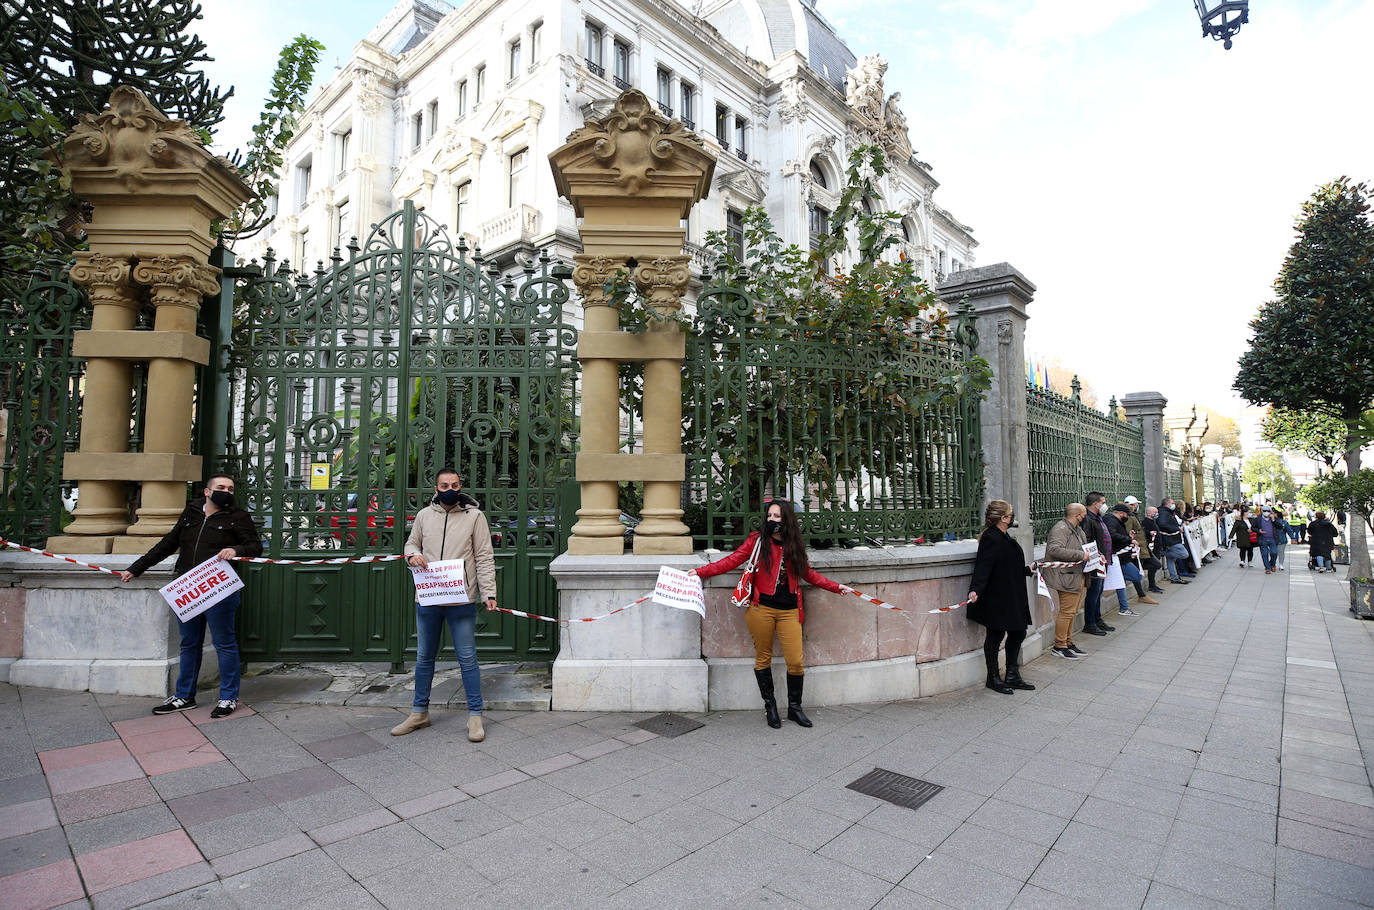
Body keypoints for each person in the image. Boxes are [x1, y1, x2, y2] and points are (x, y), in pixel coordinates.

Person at [693, 499, 852, 728]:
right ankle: (771, 707)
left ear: (786, 519)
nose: (772, 520)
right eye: (769, 516)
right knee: (763, 658)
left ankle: (795, 709)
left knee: (796, 662)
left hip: (789, 611)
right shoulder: (757, 541)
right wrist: (699, 572)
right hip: (761, 609)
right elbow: (731, 561)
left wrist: (836, 587)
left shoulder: (794, 544)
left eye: (777, 517)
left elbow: (808, 574)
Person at [119, 473, 262, 718]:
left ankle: (228, 698)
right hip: (187, 589)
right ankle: (184, 696)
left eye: (229, 488)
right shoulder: (191, 512)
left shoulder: (238, 517)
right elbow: (169, 543)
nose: (226, 491)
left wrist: (235, 549)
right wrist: (137, 567)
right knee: (189, 644)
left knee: (224, 643)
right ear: (207, 491)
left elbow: (255, 546)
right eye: (220, 487)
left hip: (219, 590)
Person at [393, 467, 498, 741]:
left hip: (460, 598)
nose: (449, 489)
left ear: (460, 486)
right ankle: (419, 712)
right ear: (436, 488)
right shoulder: (424, 516)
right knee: (424, 656)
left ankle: (475, 716)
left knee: (467, 657)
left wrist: (489, 593)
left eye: (454, 484)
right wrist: (412, 556)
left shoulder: (474, 516)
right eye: (444, 485)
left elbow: (484, 557)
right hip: (428, 597)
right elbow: (410, 544)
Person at [966, 500, 1035, 693]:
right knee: (996, 635)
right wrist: (976, 589)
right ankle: (993, 678)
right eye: (1011, 514)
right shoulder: (991, 537)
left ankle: (1012, 675)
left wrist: (1026, 570)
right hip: (997, 596)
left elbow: (1006, 565)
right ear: (1003, 518)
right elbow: (983, 566)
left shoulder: (1004, 536)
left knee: (1018, 631)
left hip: (1012, 593)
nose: (1013, 517)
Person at [1042, 503, 1089, 660]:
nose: (1085, 517)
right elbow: (1054, 550)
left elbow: (1085, 549)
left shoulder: (1077, 529)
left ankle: (1068, 642)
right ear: (1077, 515)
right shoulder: (1061, 528)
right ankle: (1060, 645)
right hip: (1065, 576)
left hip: (1076, 575)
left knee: (1073, 611)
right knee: (1067, 612)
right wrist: (1080, 555)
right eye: (1084, 514)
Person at [1104, 502, 1156, 616]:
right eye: (1127, 515)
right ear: (1121, 513)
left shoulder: (1115, 521)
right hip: (1118, 557)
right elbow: (1112, 535)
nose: (1128, 517)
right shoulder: (1112, 521)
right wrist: (1129, 540)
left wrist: (1128, 536)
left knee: (1121, 582)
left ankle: (1124, 607)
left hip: (1121, 557)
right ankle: (1124, 607)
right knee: (1135, 576)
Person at [1080, 493, 1115, 636]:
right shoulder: (1088, 518)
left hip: (1102, 560)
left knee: (1099, 591)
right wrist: (1097, 554)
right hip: (1095, 561)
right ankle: (1090, 623)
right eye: (1103, 502)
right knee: (1094, 592)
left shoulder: (1098, 517)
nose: (1105, 505)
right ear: (1095, 504)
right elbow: (1087, 539)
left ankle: (1098, 619)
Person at [1155, 498, 1193, 583]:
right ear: (1167, 504)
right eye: (1172, 503)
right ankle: (1163, 552)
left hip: (1172, 538)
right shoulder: (1163, 513)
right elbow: (1162, 524)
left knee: (1171, 559)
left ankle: (1174, 577)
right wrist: (1176, 528)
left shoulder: (1167, 512)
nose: (1174, 505)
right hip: (1170, 539)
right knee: (1184, 554)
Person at [1140, 505, 1166, 593]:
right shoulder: (1146, 522)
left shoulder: (1153, 522)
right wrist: (1149, 533)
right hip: (1151, 549)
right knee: (1154, 566)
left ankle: (1153, 585)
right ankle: (1152, 585)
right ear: (1149, 513)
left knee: (1154, 569)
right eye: (1155, 512)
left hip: (1157, 548)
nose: (1157, 514)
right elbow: (1142, 532)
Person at [1272, 507, 1291, 572]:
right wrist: (1293, 538)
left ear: (1276, 515)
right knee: (1281, 553)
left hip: (1278, 539)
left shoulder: (1281, 522)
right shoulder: (1284, 522)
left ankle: (1275, 564)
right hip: (1281, 539)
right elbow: (1289, 530)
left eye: (1273, 513)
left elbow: (1289, 530)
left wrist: (1293, 538)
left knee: (1274, 552)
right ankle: (1280, 564)